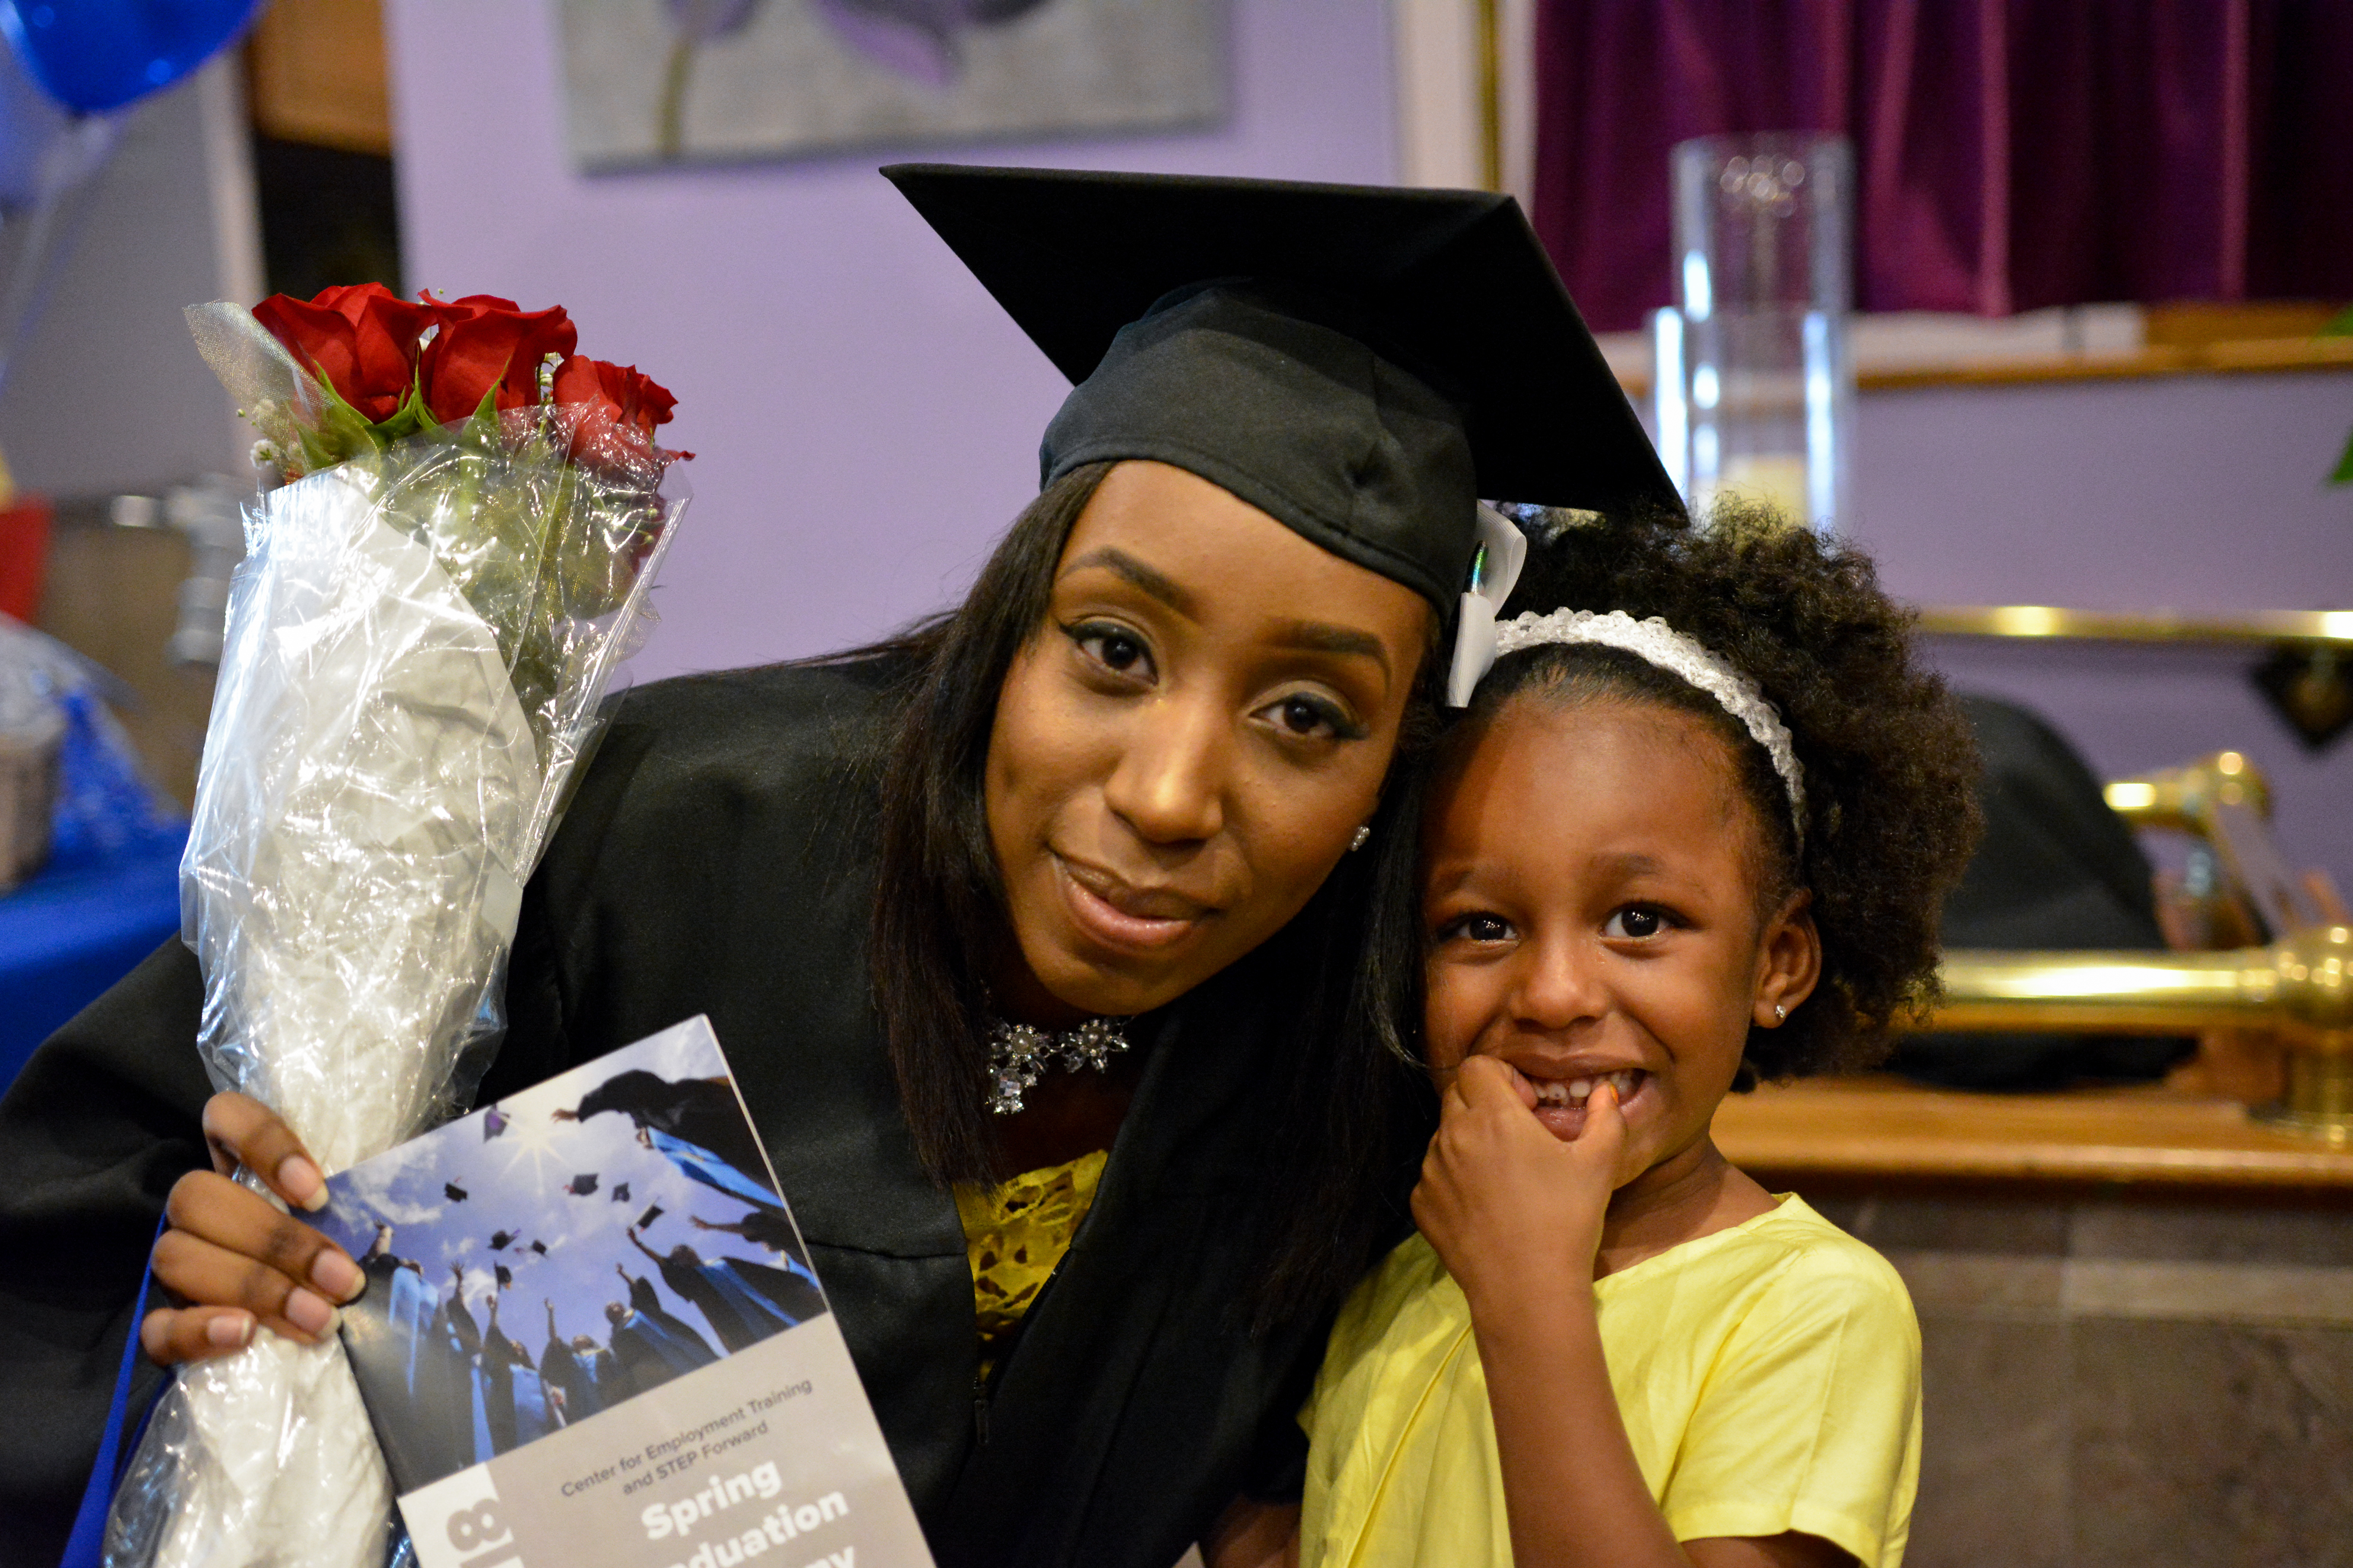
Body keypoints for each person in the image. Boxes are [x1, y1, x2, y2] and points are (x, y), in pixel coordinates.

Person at [0, 166, 1679, 1568]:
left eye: (1308, 714)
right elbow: (101, 1202)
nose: (1172, 792)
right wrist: (216, 1255)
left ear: (1397, 770)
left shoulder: (1362, 1035)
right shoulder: (677, 826)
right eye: (1110, 648)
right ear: (1007, 629)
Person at [1266, 505, 1981, 1568]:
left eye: (1639, 921)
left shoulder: (1813, 1312)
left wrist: (1529, 1298)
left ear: (1777, 961)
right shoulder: (1407, 1279)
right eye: (1480, 925)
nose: (1553, 993)